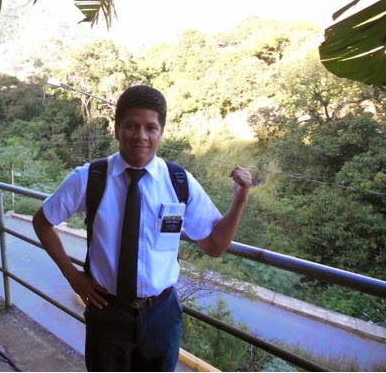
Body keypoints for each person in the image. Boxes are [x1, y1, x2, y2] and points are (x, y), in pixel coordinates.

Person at [32, 85, 252, 372]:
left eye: (151, 127)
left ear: (161, 132)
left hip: (161, 315)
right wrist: (73, 276)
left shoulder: (178, 181)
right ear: (116, 130)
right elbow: (42, 222)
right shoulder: (90, 178)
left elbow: (214, 246)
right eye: (131, 126)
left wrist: (239, 200)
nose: (141, 136)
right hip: (107, 312)